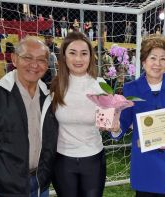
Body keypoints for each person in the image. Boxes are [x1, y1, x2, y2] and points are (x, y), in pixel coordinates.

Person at [0, 37, 59, 196]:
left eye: (41, 60)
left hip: (39, 185)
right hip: (3, 187)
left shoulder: (49, 97)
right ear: (14, 59)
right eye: (28, 57)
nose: (34, 64)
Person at [114, 34, 165, 196]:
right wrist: (115, 127)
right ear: (143, 61)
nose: (157, 63)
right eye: (153, 58)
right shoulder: (131, 88)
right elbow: (123, 122)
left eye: (163, 59)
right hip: (145, 163)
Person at [50, 32, 108, 197]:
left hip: (93, 159)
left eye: (84, 53)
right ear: (64, 56)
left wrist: (114, 121)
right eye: (72, 53)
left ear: (91, 56)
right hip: (62, 161)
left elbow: (106, 125)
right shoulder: (55, 86)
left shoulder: (101, 86)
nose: (78, 59)